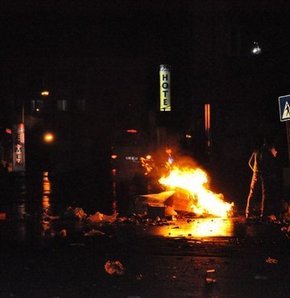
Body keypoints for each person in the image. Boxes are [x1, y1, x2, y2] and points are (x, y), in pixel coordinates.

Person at [245, 142, 278, 219]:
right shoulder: (267, 153)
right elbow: (270, 164)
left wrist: (254, 170)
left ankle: (248, 213)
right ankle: (263, 213)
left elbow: (249, 162)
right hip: (263, 174)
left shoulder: (256, 151)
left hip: (255, 174)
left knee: (252, 192)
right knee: (265, 193)